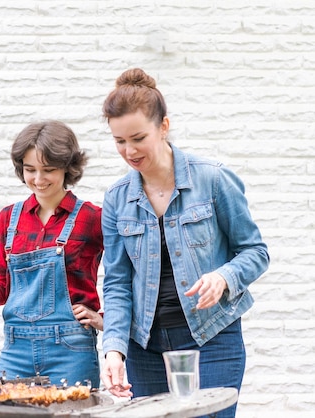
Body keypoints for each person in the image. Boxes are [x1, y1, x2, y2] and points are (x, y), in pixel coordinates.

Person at [99, 68, 270, 417]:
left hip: (211, 339)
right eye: (119, 141)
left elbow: (255, 252)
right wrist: (113, 350)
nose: (129, 151)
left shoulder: (213, 179)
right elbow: (116, 283)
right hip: (143, 348)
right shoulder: (117, 199)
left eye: (137, 137)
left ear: (163, 126)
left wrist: (224, 277)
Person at [0, 120, 104, 388]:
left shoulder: (92, 218)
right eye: (30, 169)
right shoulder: (9, 218)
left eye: (48, 170)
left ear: (68, 167)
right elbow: (2, 287)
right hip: (16, 351)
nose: (38, 179)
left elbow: (125, 276)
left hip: (71, 349)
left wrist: (105, 320)